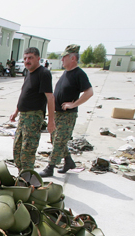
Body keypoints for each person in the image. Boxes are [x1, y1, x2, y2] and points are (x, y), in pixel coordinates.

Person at [39, 44, 93, 177]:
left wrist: (73, 104)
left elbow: (89, 92)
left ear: (73, 58)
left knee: (59, 141)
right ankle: (68, 161)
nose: (62, 60)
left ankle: (50, 167)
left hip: (67, 115)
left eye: (64, 57)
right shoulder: (66, 73)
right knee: (55, 139)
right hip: (58, 114)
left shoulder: (79, 74)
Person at [9, 47, 55, 171]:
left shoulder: (43, 73)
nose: (27, 61)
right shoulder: (29, 73)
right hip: (23, 116)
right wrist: (16, 112)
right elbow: (25, 93)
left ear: (38, 59)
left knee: (27, 152)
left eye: (30, 58)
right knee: (17, 150)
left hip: (34, 116)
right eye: (25, 58)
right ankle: (22, 175)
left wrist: (51, 121)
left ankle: (27, 180)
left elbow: (50, 98)